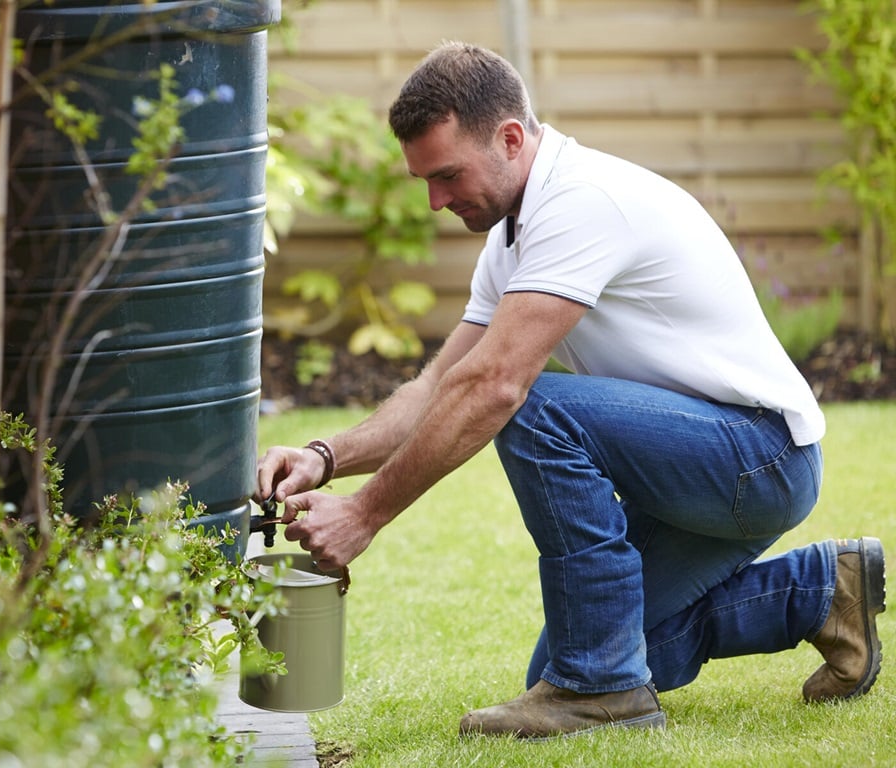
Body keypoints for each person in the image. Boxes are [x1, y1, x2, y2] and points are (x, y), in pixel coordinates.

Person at [254, 41, 886, 741]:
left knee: (529, 407)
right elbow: (440, 384)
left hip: (758, 456)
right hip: (706, 468)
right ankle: (822, 593)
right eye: (424, 182)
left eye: (447, 175)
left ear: (511, 138)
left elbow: (493, 386)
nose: (435, 201)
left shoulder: (582, 202)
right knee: (572, 652)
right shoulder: (513, 236)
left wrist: (363, 515)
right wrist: (325, 456)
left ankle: (601, 691)